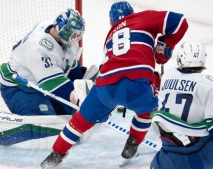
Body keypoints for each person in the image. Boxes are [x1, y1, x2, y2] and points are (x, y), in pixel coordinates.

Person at [40, 1, 188, 168]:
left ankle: (54, 156)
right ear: (131, 13)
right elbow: (181, 22)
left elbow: (112, 65)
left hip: (105, 85)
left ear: (112, 21)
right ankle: (132, 144)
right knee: (148, 109)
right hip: (136, 83)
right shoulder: (143, 18)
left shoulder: (110, 36)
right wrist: (166, 45)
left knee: (80, 121)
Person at [0, 8, 97, 147]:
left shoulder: (62, 37)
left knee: (67, 116)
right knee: (49, 127)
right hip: (20, 88)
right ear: (65, 31)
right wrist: (79, 99)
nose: (77, 38)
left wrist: (79, 86)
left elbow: (70, 63)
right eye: (74, 34)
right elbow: (54, 84)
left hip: (41, 84)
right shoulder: (38, 48)